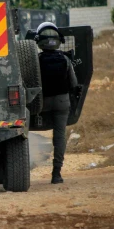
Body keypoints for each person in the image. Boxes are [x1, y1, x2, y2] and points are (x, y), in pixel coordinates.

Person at [35, 22, 78, 184]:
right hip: (62, 102)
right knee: (59, 137)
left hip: (41, 103)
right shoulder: (65, 59)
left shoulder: (36, 60)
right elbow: (73, 84)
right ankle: (56, 173)